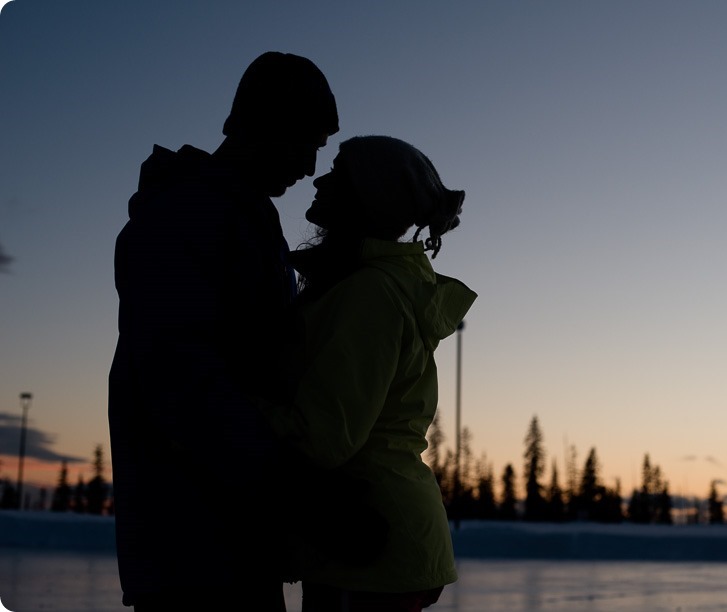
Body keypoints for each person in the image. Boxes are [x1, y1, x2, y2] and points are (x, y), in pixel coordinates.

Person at [108, 52, 338, 611]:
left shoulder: (242, 217)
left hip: (234, 534)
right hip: (193, 546)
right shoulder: (185, 217)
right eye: (308, 142)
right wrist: (295, 488)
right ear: (268, 126)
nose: (310, 167)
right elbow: (184, 382)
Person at [261, 136, 476, 612]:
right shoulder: (373, 286)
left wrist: (236, 406)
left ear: (368, 197)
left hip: (368, 539)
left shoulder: (371, 295)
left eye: (339, 172)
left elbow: (325, 436)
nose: (321, 179)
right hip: (368, 530)